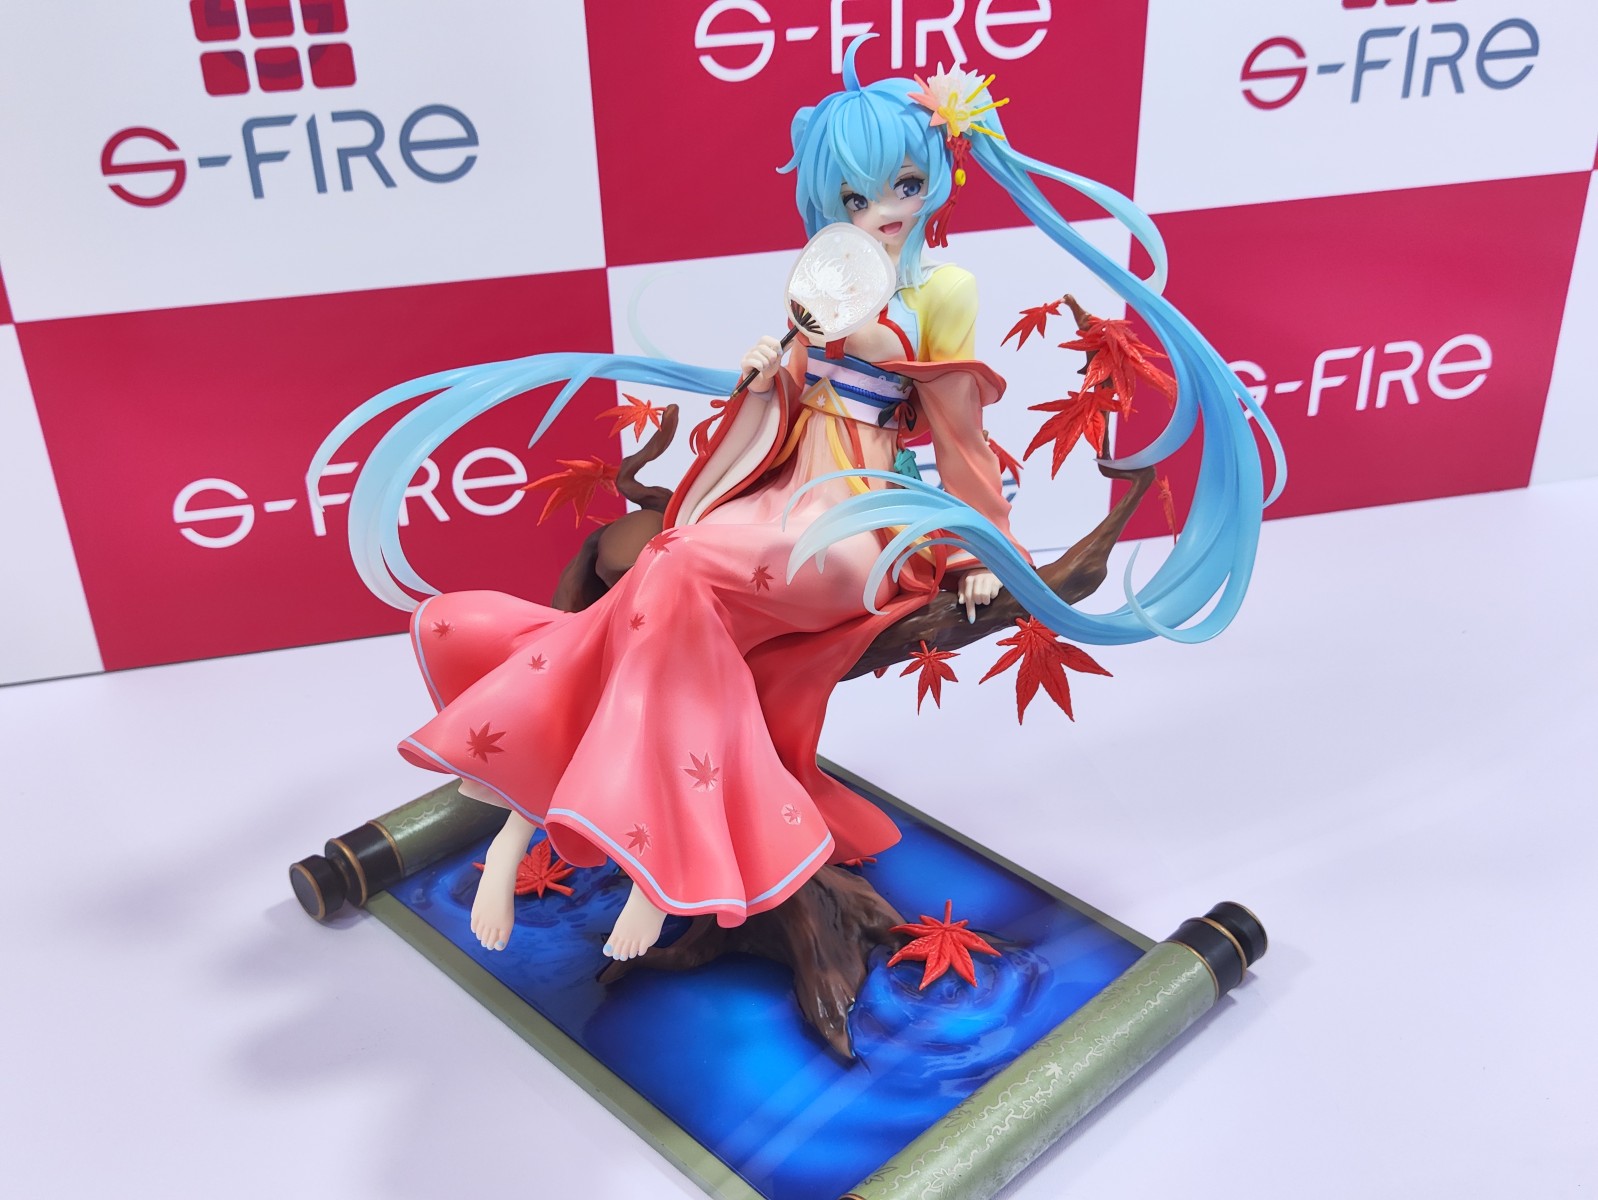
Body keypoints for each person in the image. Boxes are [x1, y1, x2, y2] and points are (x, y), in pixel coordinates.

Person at [309, 40, 1283, 964]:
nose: (883, 209)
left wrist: (975, 546)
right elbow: (784, 405)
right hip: (775, 496)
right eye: (856, 195)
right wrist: (768, 374)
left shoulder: (942, 289)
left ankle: (555, 826)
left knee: (675, 569)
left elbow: (957, 430)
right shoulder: (827, 274)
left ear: (938, 177)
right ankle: (600, 848)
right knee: (666, 580)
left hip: (857, 519)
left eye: (904, 185)